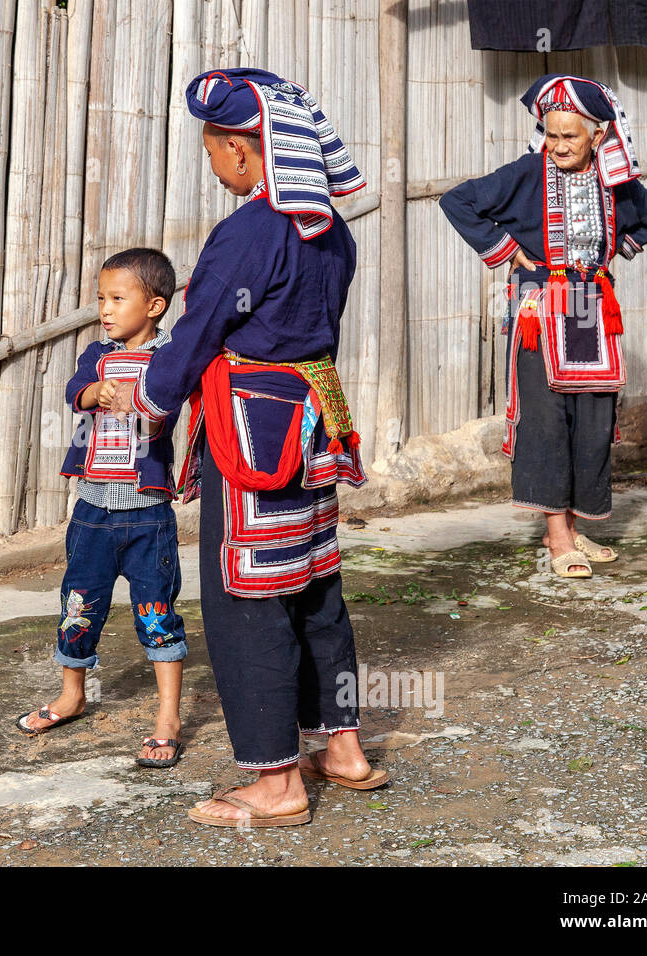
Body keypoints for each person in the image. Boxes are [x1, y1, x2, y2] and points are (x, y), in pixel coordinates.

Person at [111, 68, 388, 827]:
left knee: (249, 600)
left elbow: (198, 334)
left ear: (241, 147)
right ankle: (343, 748)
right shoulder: (331, 229)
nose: (212, 164)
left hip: (250, 438)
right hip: (313, 427)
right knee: (316, 586)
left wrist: (152, 401)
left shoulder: (247, 233)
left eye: (213, 148)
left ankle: (275, 783)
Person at [440, 74, 647, 578]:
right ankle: (557, 536)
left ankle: (573, 523)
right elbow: (457, 201)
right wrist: (506, 251)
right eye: (552, 134)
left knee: (590, 420)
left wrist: (614, 252)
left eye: (571, 135)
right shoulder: (526, 174)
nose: (559, 145)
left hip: (591, 307)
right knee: (546, 422)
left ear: (597, 135)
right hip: (540, 310)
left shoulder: (616, 183)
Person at [15, 248, 188, 769]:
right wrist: (94, 390)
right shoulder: (97, 354)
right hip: (91, 508)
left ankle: (168, 717)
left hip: (147, 511)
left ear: (155, 305)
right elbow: (74, 390)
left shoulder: (170, 358)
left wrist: (142, 401)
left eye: (118, 298)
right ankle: (72, 694)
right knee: (78, 602)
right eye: (100, 299)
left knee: (156, 611)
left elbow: (173, 402)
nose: (105, 310)